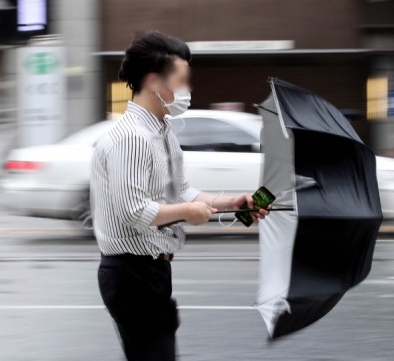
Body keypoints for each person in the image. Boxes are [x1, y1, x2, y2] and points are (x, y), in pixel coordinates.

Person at [90, 31, 270, 361]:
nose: (187, 90)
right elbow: (135, 210)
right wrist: (188, 212)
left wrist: (230, 203)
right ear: (154, 82)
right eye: (182, 80)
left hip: (152, 272)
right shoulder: (131, 138)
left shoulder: (163, 133)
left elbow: (180, 191)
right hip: (131, 274)